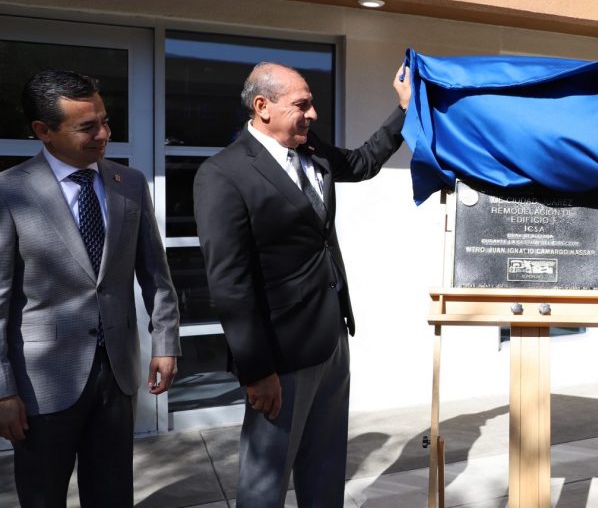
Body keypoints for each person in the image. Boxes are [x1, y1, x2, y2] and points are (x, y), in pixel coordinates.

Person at [193, 61, 410, 506]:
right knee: (265, 482)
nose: (313, 114)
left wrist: (405, 110)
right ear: (263, 106)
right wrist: (257, 370)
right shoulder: (222, 174)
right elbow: (230, 282)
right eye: (302, 104)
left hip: (331, 339)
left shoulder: (311, 150)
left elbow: (363, 163)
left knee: (325, 469)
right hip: (280, 354)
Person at [0, 70, 181, 506]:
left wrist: (165, 341)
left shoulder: (129, 183)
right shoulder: (9, 191)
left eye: (105, 121)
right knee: (42, 497)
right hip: (42, 384)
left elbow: (155, 272)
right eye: (87, 127)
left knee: (113, 494)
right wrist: (3, 390)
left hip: (116, 375)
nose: (103, 134)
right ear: (43, 131)